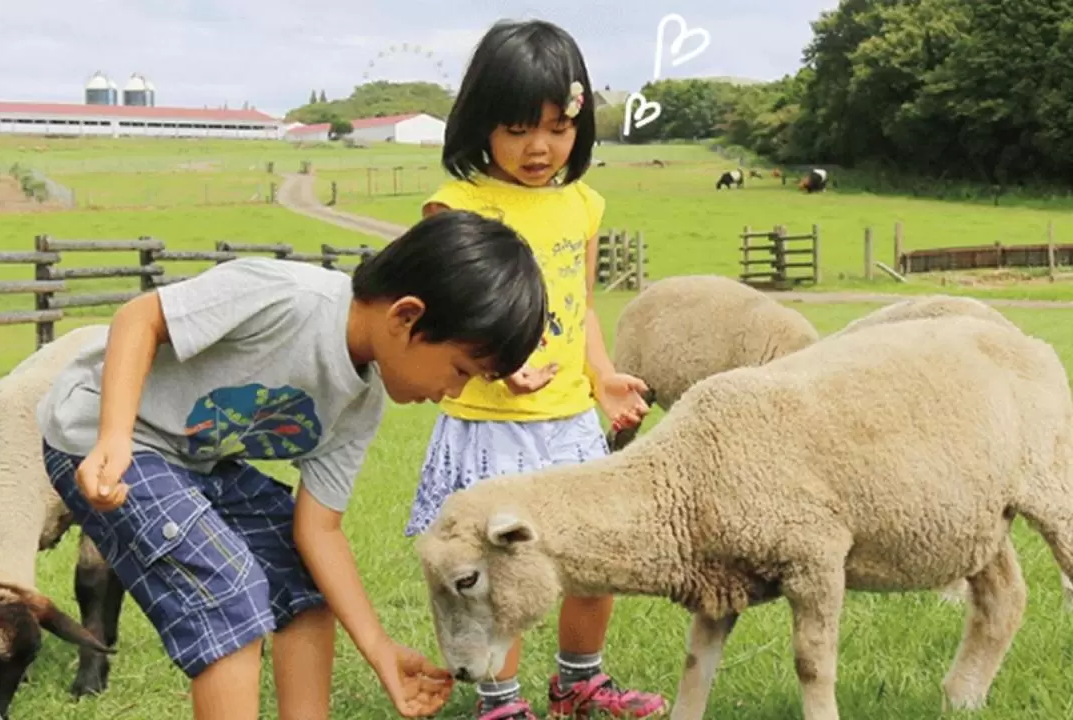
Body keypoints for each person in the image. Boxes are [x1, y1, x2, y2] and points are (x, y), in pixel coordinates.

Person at [36, 209, 549, 720]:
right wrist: (114, 437)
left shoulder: (360, 403)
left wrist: (380, 649)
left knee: (304, 575)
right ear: (406, 317)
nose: (451, 392)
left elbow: (318, 532)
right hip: (97, 437)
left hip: (191, 460)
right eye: (461, 370)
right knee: (226, 585)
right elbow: (139, 318)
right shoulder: (285, 297)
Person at [404, 18, 668, 720]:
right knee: (499, 573)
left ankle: (579, 681)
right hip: (494, 424)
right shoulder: (459, 207)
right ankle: (499, 700)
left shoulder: (582, 205)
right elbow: (446, 318)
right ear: (481, 124)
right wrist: (497, 366)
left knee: (597, 559)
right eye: (519, 128)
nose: (540, 147)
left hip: (569, 423)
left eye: (557, 127)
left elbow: (579, 306)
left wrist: (604, 375)